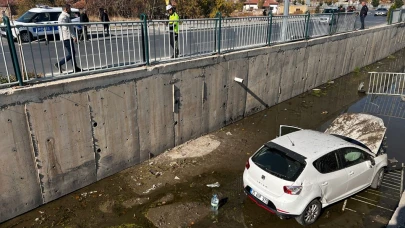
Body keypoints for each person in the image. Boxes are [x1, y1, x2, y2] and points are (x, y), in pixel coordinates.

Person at [54, 4, 81, 73]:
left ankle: (75, 67)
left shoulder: (65, 16)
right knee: (72, 53)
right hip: (66, 37)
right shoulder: (63, 17)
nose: (70, 10)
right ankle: (59, 64)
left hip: (67, 37)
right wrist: (74, 36)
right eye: (69, 8)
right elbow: (67, 28)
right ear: (66, 9)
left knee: (72, 53)